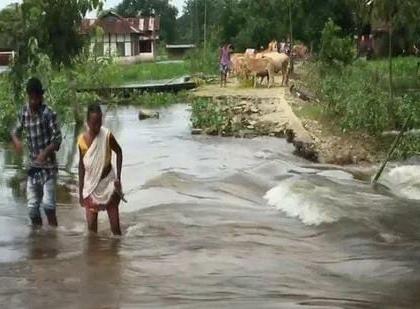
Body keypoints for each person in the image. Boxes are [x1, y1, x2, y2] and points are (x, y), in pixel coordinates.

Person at [11, 77, 62, 227]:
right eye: (31, 97)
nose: (33, 101)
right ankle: (38, 240)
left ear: (41, 97)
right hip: (33, 167)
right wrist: (17, 141)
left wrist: (45, 152)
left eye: (36, 97)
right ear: (28, 96)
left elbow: (58, 139)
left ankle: (54, 236)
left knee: (48, 206)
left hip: (49, 167)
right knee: (33, 209)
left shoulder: (48, 113)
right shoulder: (24, 113)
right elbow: (14, 131)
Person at [78, 102, 123, 235]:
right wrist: (81, 192)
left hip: (108, 183)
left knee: (116, 230)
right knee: (92, 231)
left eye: (99, 122)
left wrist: (118, 178)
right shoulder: (81, 141)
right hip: (91, 187)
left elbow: (119, 152)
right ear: (87, 122)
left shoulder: (107, 136)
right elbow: (81, 166)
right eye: (93, 123)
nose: (97, 127)